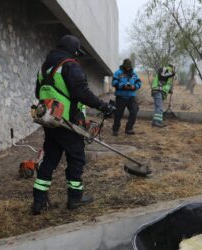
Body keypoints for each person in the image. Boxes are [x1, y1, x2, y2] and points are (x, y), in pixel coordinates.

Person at [32, 34, 115, 215]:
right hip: (68, 123)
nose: (77, 56)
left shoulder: (45, 67)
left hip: (51, 120)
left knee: (50, 159)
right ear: (73, 50)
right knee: (76, 158)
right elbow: (82, 93)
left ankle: (38, 201)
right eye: (77, 53)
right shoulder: (70, 65)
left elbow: (38, 93)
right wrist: (103, 106)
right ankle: (75, 197)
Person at [112, 58, 142, 136]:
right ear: (123, 65)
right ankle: (115, 129)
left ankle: (129, 128)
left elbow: (139, 83)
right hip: (120, 96)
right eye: (126, 66)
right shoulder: (118, 73)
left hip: (131, 96)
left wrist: (134, 87)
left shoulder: (134, 74)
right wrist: (123, 86)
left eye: (129, 66)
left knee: (134, 111)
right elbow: (114, 83)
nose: (128, 68)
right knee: (118, 114)